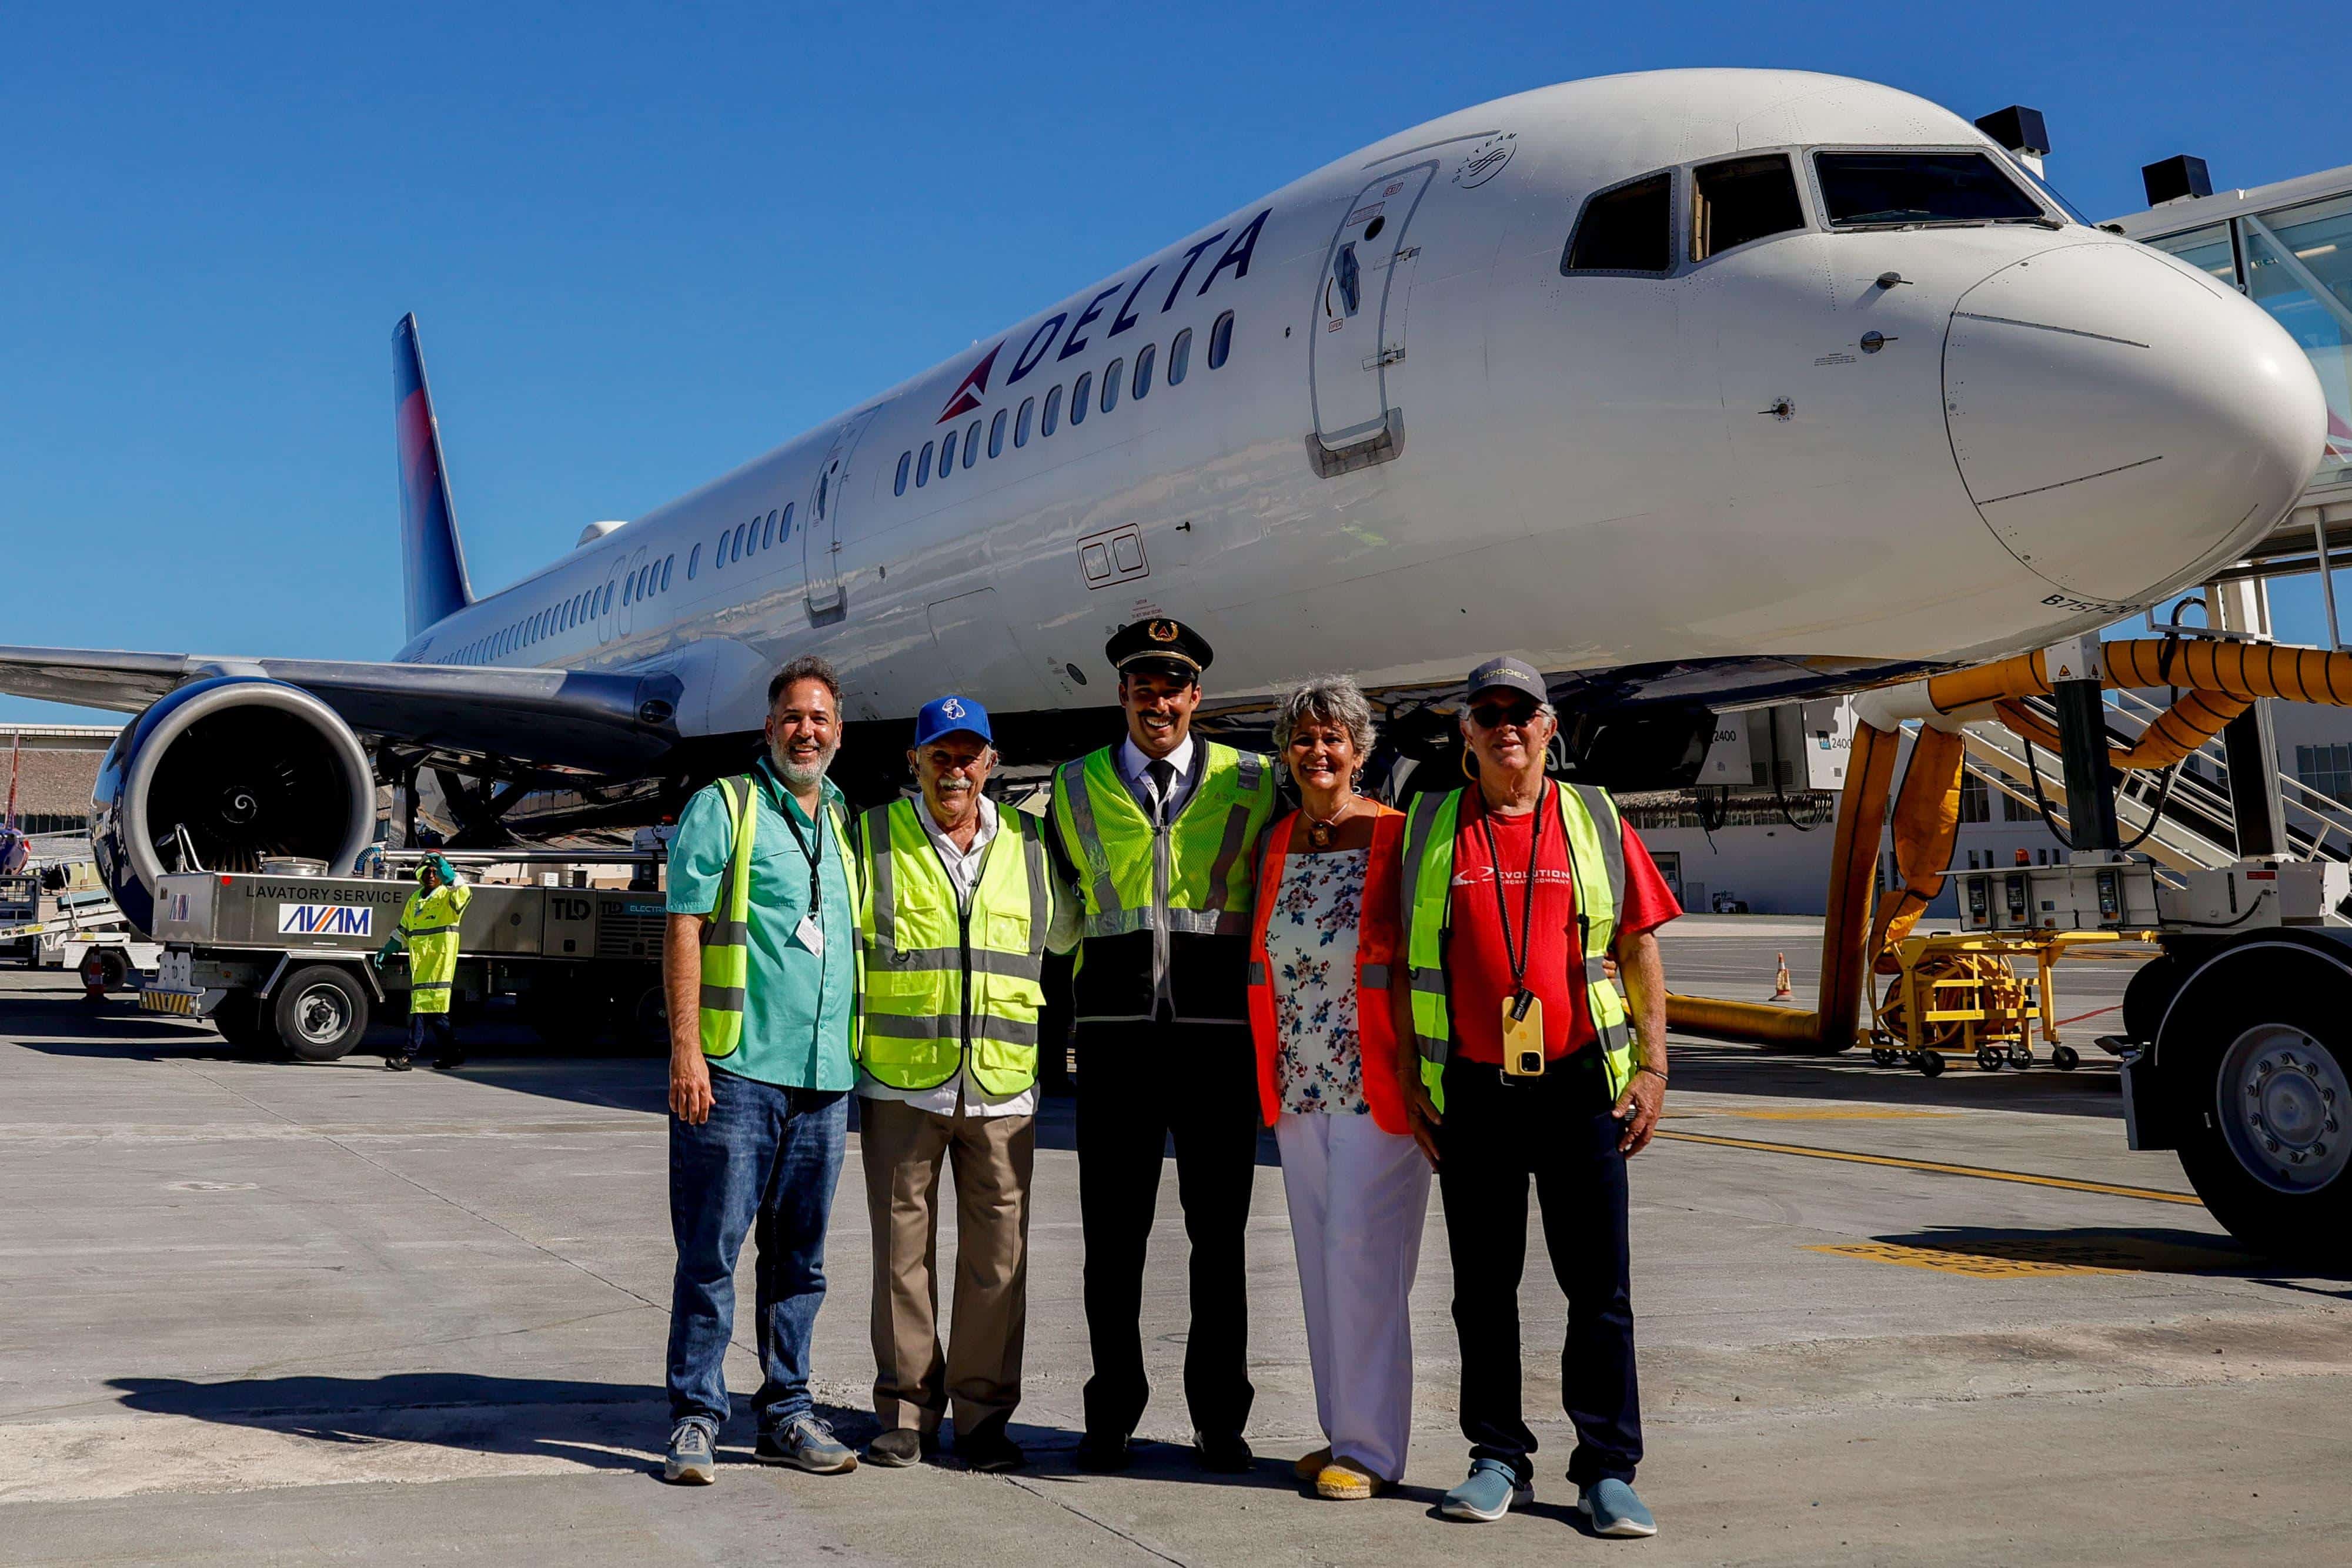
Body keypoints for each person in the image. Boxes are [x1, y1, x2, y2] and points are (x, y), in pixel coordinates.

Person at [1398, 656, 1678, 1539]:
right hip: (1473, 1088)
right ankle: (1496, 1455)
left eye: (1523, 711)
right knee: (1483, 1288)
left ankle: (1607, 1467)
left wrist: (1656, 1066)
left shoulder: (1593, 815)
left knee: (1598, 1288)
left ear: (1549, 727)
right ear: (1466, 734)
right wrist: (1412, 1074)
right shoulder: (1432, 825)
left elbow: (1637, 948)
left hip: (1579, 1084)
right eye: (1489, 713)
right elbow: (1406, 959)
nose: (1506, 725)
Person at [1044, 617, 1278, 1474]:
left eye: (1173, 684)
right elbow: (1056, 916)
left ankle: (1220, 1416)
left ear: (1196, 697)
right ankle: (1112, 1412)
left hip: (1220, 1044)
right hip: (1114, 1043)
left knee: (1219, 1239)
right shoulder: (1071, 788)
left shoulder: (1256, 781)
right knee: (1115, 1239)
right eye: (1143, 683)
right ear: (1122, 694)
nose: (1158, 698)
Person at [853, 694, 1076, 1474]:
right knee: (900, 1256)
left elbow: (1075, 930)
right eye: (939, 755)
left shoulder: (1031, 841)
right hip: (901, 1082)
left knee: (998, 1260)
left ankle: (983, 1415)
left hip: (1004, 1086)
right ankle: (906, 1411)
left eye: (968, 755)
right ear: (915, 761)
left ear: (991, 762)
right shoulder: (872, 835)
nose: (955, 770)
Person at [658, 656, 864, 1486]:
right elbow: (683, 929)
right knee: (711, 1251)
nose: (805, 730)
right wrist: (685, 1048)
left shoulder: (845, 816)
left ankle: (786, 1409)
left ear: (838, 732)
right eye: (792, 716)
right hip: (737, 1068)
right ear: (768, 726)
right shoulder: (725, 805)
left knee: (800, 1261)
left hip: (824, 1075)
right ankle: (697, 1415)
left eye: (819, 718)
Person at [1242, 677, 1426, 1502]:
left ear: (1361, 750)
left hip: (1377, 1082)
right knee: (1320, 1264)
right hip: (1300, 1081)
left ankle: (1375, 1446)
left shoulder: (1395, 834)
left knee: (1364, 1261)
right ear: (1287, 753)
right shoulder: (1281, 839)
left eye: (1334, 739)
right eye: (1304, 739)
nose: (1319, 753)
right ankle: (1339, 1429)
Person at [375, 855, 470, 1071]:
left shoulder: (448, 896)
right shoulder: (416, 899)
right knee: (436, 1014)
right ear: (420, 874)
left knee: (422, 1010)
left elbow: (464, 893)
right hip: (421, 964)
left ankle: (407, 1057)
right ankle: (454, 1054)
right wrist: (387, 950)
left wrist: (445, 867)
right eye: (427, 871)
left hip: (439, 963)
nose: (431, 875)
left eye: (436, 872)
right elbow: (403, 931)